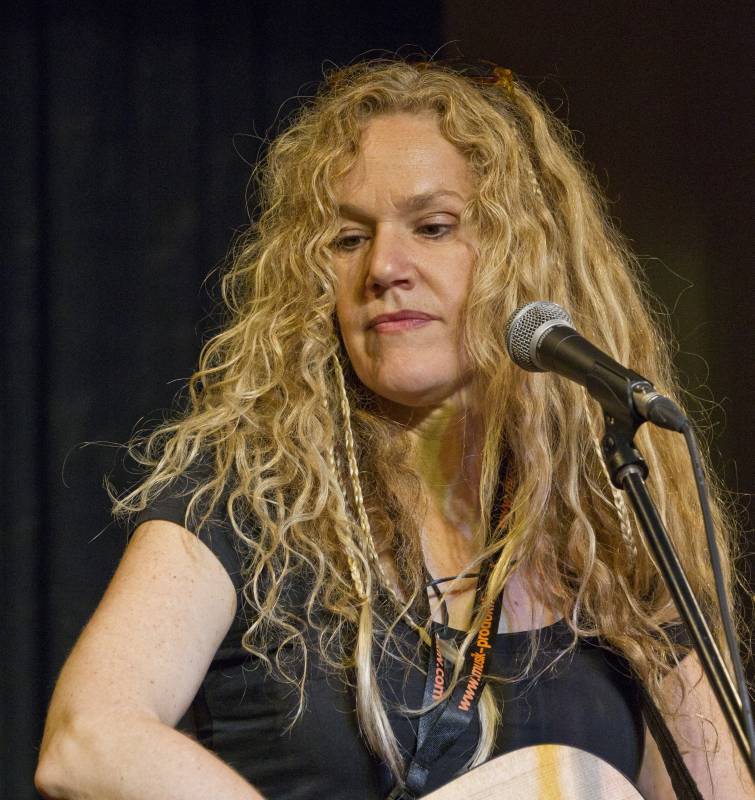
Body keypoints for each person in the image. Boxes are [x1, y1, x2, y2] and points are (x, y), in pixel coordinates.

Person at [35, 59, 753, 800]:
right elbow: (88, 739)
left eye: (432, 227)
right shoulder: (241, 503)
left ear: (523, 259)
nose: (382, 266)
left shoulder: (610, 538)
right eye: (348, 239)